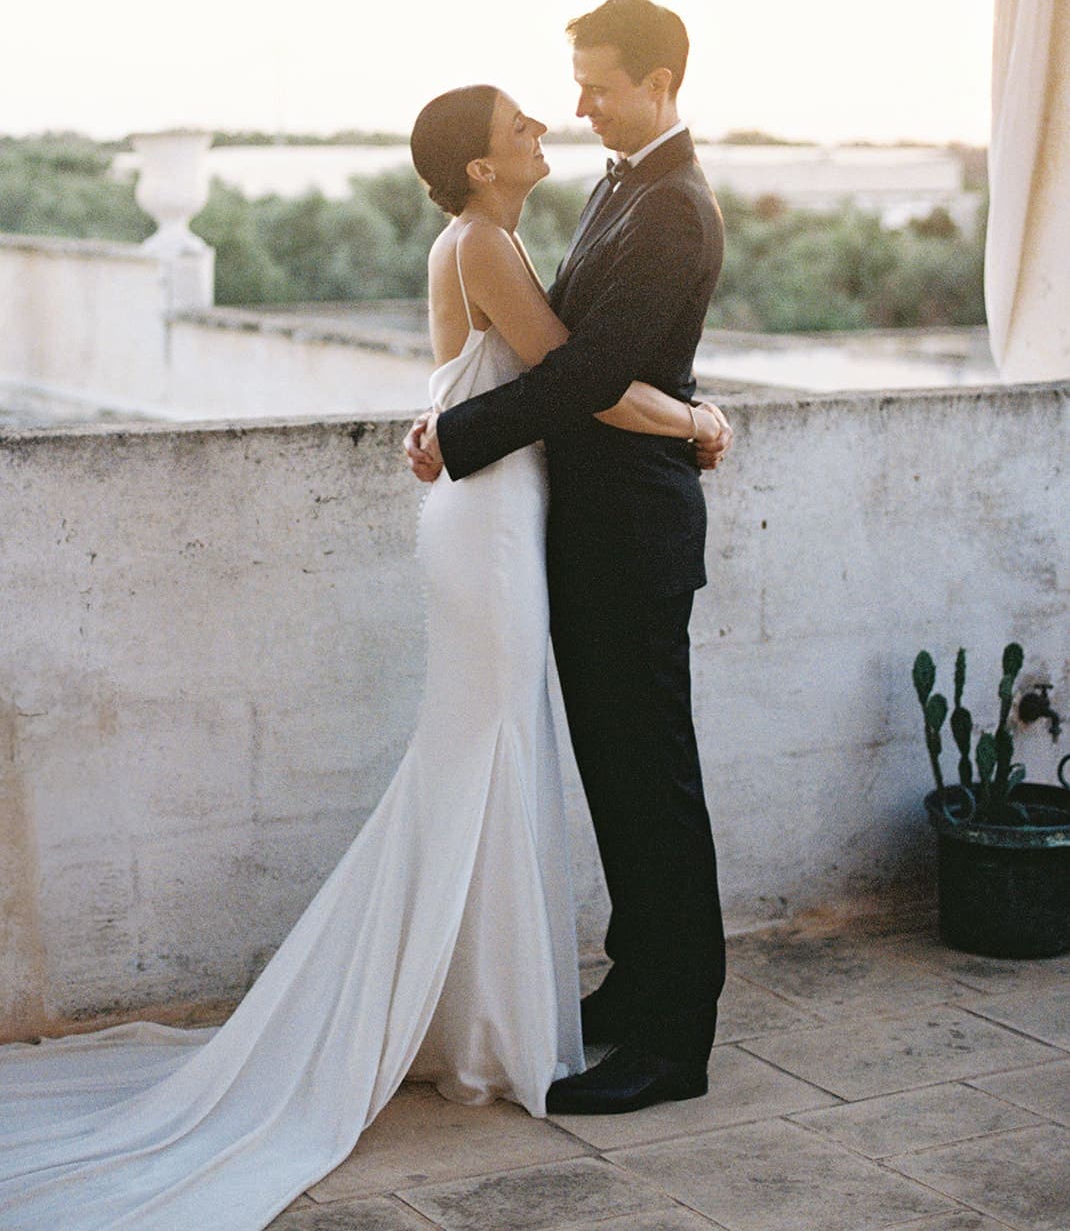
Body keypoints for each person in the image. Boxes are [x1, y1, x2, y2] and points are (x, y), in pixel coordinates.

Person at [0, 79, 729, 1231]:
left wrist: (469, 421)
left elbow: (562, 369)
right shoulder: (485, 239)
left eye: (561, 103)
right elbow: (573, 376)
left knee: (492, 757)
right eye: (521, 126)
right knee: (483, 753)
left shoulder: (515, 224)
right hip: (489, 525)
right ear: (481, 168)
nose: (548, 123)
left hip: (502, 516)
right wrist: (696, 420)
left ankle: (484, 1001)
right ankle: (476, 1008)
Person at [406, 0, 731, 1116]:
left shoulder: (674, 208)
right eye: (574, 84)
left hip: (632, 538)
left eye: (596, 84)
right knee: (619, 785)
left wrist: (458, 434)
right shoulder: (618, 187)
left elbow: (588, 372)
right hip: (584, 533)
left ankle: (671, 1045)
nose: (577, 103)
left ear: (660, 80)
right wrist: (691, 416)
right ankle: (632, 989)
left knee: (655, 790)